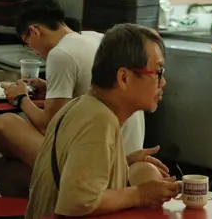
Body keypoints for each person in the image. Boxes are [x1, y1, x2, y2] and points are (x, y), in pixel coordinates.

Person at [0, 0, 146, 196]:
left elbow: (48, 126)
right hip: (127, 154)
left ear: (34, 31)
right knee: (9, 170)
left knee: (4, 127)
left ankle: (2, 166)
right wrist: (51, 88)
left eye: (27, 43)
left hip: (99, 162)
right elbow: (90, 93)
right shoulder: (96, 38)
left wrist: (21, 98)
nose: (33, 52)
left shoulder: (61, 54)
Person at [25, 24, 178, 219]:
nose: (162, 82)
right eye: (158, 72)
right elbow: (77, 202)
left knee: (145, 171)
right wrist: (141, 194)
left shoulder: (85, 107)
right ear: (124, 77)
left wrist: (122, 162)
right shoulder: (98, 119)